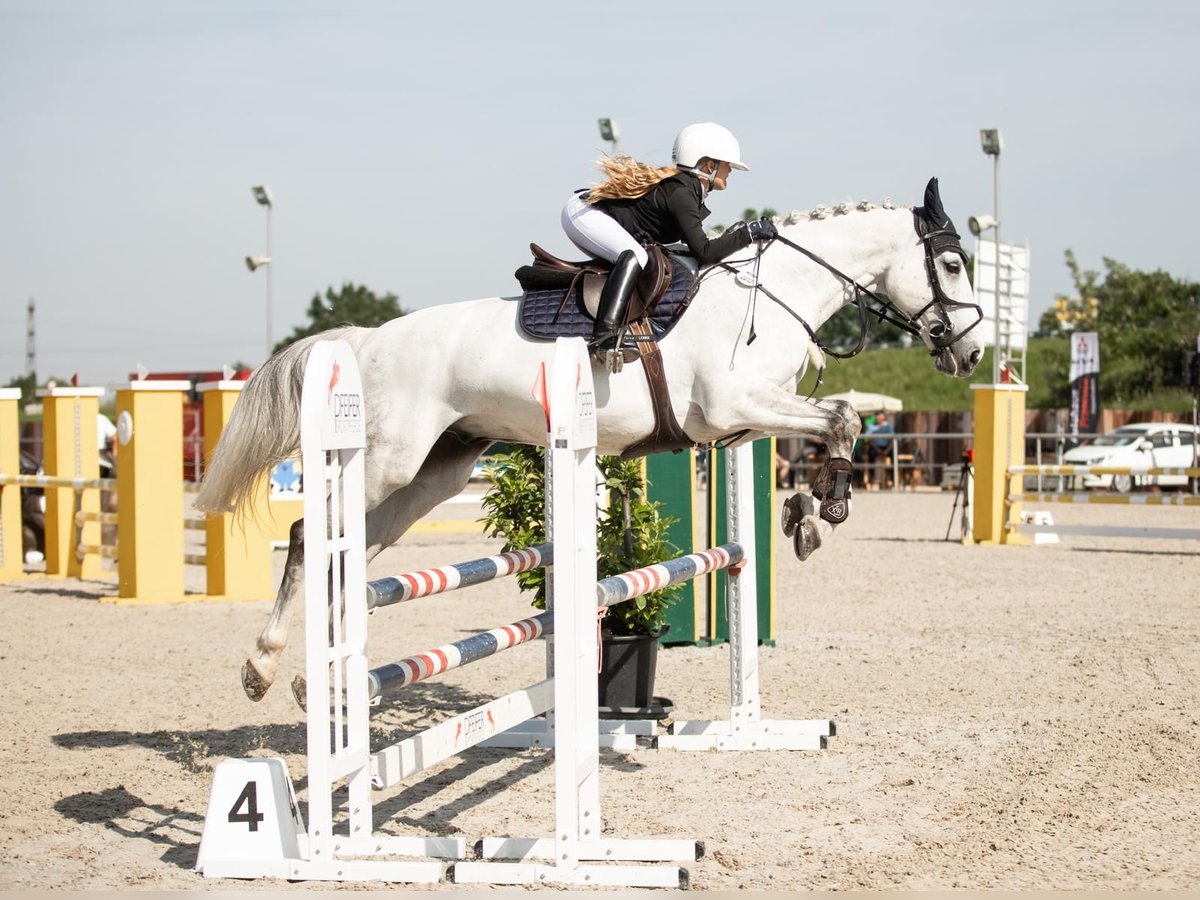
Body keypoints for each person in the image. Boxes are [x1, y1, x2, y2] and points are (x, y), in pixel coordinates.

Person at [561, 122, 777, 361]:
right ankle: (604, 338)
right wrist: (750, 232)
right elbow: (704, 252)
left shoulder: (687, 190)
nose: (731, 171)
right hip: (583, 213)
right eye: (728, 165)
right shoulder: (682, 194)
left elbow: (697, 249)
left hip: (589, 212)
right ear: (708, 165)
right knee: (636, 257)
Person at [866, 411, 895, 489]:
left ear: (884, 418)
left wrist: (887, 450)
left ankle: (892, 479)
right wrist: (877, 450)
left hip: (886, 447)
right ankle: (871, 479)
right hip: (876, 447)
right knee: (871, 456)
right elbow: (870, 440)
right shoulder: (872, 427)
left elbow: (892, 440)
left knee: (893, 457)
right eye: (878, 418)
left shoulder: (889, 426)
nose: (879, 419)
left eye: (881, 418)